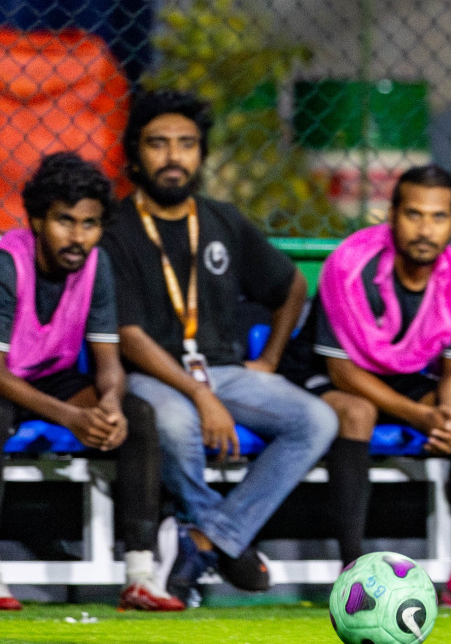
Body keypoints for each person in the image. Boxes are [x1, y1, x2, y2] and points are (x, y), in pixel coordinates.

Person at [103, 91, 338, 605]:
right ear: (134, 154)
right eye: (158, 144)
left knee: (315, 420)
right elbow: (130, 337)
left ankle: (206, 539)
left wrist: (270, 361)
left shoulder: (222, 220)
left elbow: (292, 288)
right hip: (153, 376)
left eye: (186, 144)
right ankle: (226, 539)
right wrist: (200, 395)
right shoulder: (116, 229)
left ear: (201, 155)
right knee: (175, 420)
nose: (173, 156)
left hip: (225, 372)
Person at [282, 165, 451, 609]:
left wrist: (447, 415)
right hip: (325, 373)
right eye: (413, 214)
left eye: (438, 217)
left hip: (406, 379)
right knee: (358, 412)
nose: (425, 229)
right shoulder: (349, 265)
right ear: (391, 216)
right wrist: (421, 416)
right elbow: (342, 371)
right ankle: (352, 574)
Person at [0, 154, 182, 612]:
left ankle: (141, 575)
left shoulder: (96, 266)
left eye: (90, 223)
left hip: (49, 377)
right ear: (38, 219)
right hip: (5, 379)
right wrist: (73, 417)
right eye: (65, 221)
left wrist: (111, 404)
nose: (78, 236)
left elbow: (108, 360)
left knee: (138, 417)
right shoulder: (7, 263)